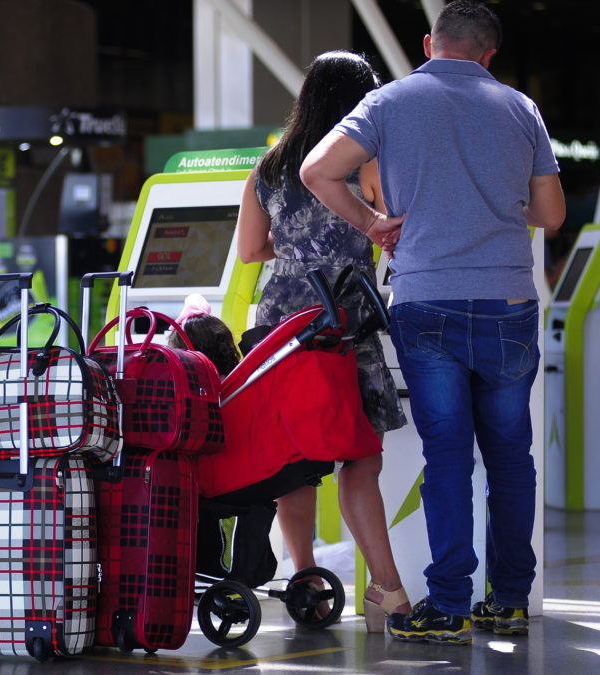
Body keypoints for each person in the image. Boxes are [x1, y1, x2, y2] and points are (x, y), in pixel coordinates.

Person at [300, 1, 565, 645]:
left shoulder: (390, 102)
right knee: (510, 455)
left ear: (428, 42)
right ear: (488, 54)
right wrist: (493, 205)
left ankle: (447, 604)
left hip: (426, 302)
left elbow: (317, 171)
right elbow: (551, 215)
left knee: (447, 456)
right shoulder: (520, 108)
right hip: (506, 301)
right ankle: (508, 600)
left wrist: (372, 224)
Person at [235, 50, 412, 634]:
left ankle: (307, 578)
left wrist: (296, 253)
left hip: (281, 322)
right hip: (343, 317)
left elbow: (249, 250)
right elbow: (396, 222)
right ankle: (386, 590)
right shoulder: (363, 159)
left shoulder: (268, 167)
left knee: (295, 458)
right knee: (359, 457)